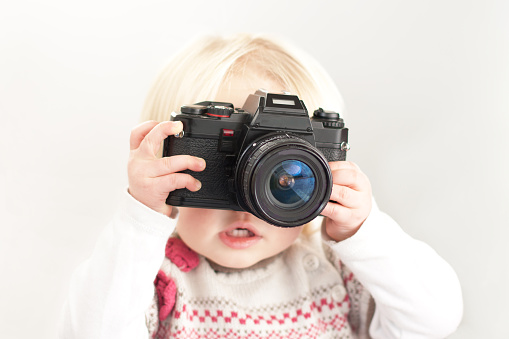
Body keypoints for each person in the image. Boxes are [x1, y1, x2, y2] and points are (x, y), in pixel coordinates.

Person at [59, 34, 463, 339]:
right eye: (227, 166)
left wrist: (364, 231)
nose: (248, 205)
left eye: (282, 175)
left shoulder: (335, 271)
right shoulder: (157, 279)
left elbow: (435, 318)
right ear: (166, 161)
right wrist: (142, 218)